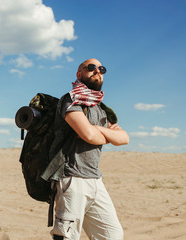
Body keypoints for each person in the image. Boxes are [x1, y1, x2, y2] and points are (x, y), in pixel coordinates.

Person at [41, 58, 129, 240]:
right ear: (79, 74)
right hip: (72, 178)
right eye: (91, 67)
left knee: (112, 235)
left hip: (95, 180)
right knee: (67, 236)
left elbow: (124, 138)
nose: (97, 71)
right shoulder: (71, 100)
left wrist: (95, 128)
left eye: (101, 68)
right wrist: (106, 135)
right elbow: (89, 136)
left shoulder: (101, 109)